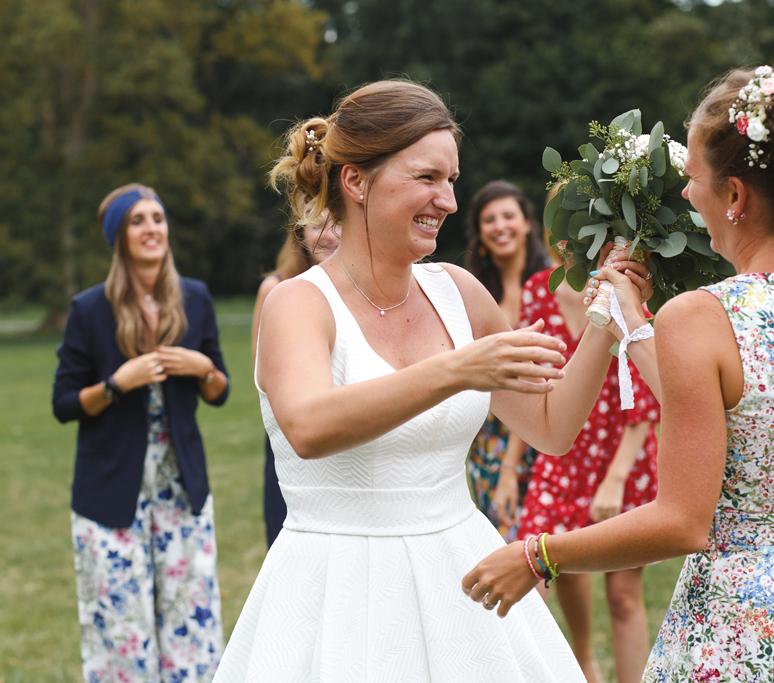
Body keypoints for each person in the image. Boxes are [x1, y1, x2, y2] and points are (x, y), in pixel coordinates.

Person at [464, 50, 774, 682]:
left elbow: (681, 522)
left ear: (734, 195)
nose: (684, 191)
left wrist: (539, 554)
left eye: (694, 175)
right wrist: (635, 328)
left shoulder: (707, 315)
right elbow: (746, 409)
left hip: (744, 625)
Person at [212, 80, 653, 682]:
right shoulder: (298, 304)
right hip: (335, 586)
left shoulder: (459, 292)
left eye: (451, 180)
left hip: (461, 578)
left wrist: (604, 318)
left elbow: (551, 428)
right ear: (356, 182)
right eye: (427, 178)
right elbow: (308, 426)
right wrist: (456, 370)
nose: (447, 200)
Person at [53, 183, 231, 682]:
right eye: (138, 220)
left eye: (157, 218)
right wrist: (116, 383)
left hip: (182, 491)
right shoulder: (90, 310)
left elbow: (220, 391)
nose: (152, 228)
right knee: (120, 629)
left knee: (190, 625)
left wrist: (202, 367)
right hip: (110, 496)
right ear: (119, 237)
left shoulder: (194, 298)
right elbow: (64, 405)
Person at [516, 265, 660, 683]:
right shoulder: (536, 289)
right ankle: (581, 668)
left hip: (620, 453)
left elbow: (647, 397)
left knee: (622, 595)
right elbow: (529, 382)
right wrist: (512, 466)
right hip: (562, 456)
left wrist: (616, 478)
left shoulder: (624, 287)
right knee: (533, 580)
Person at [464, 180, 548, 540]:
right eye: (489, 219)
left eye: (508, 216)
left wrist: (511, 465)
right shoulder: (471, 292)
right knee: (501, 542)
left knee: (545, 554)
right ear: (479, 233)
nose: (500, 226)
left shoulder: (550, 284)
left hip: (542, 426)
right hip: (487, 439)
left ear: (527, 223)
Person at [252, 210, 340, 547]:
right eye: (317, 225)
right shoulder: (276, 289)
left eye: (337, 223)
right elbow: (266, 378)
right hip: (294, 440)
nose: (329, 236)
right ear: (299, 233)